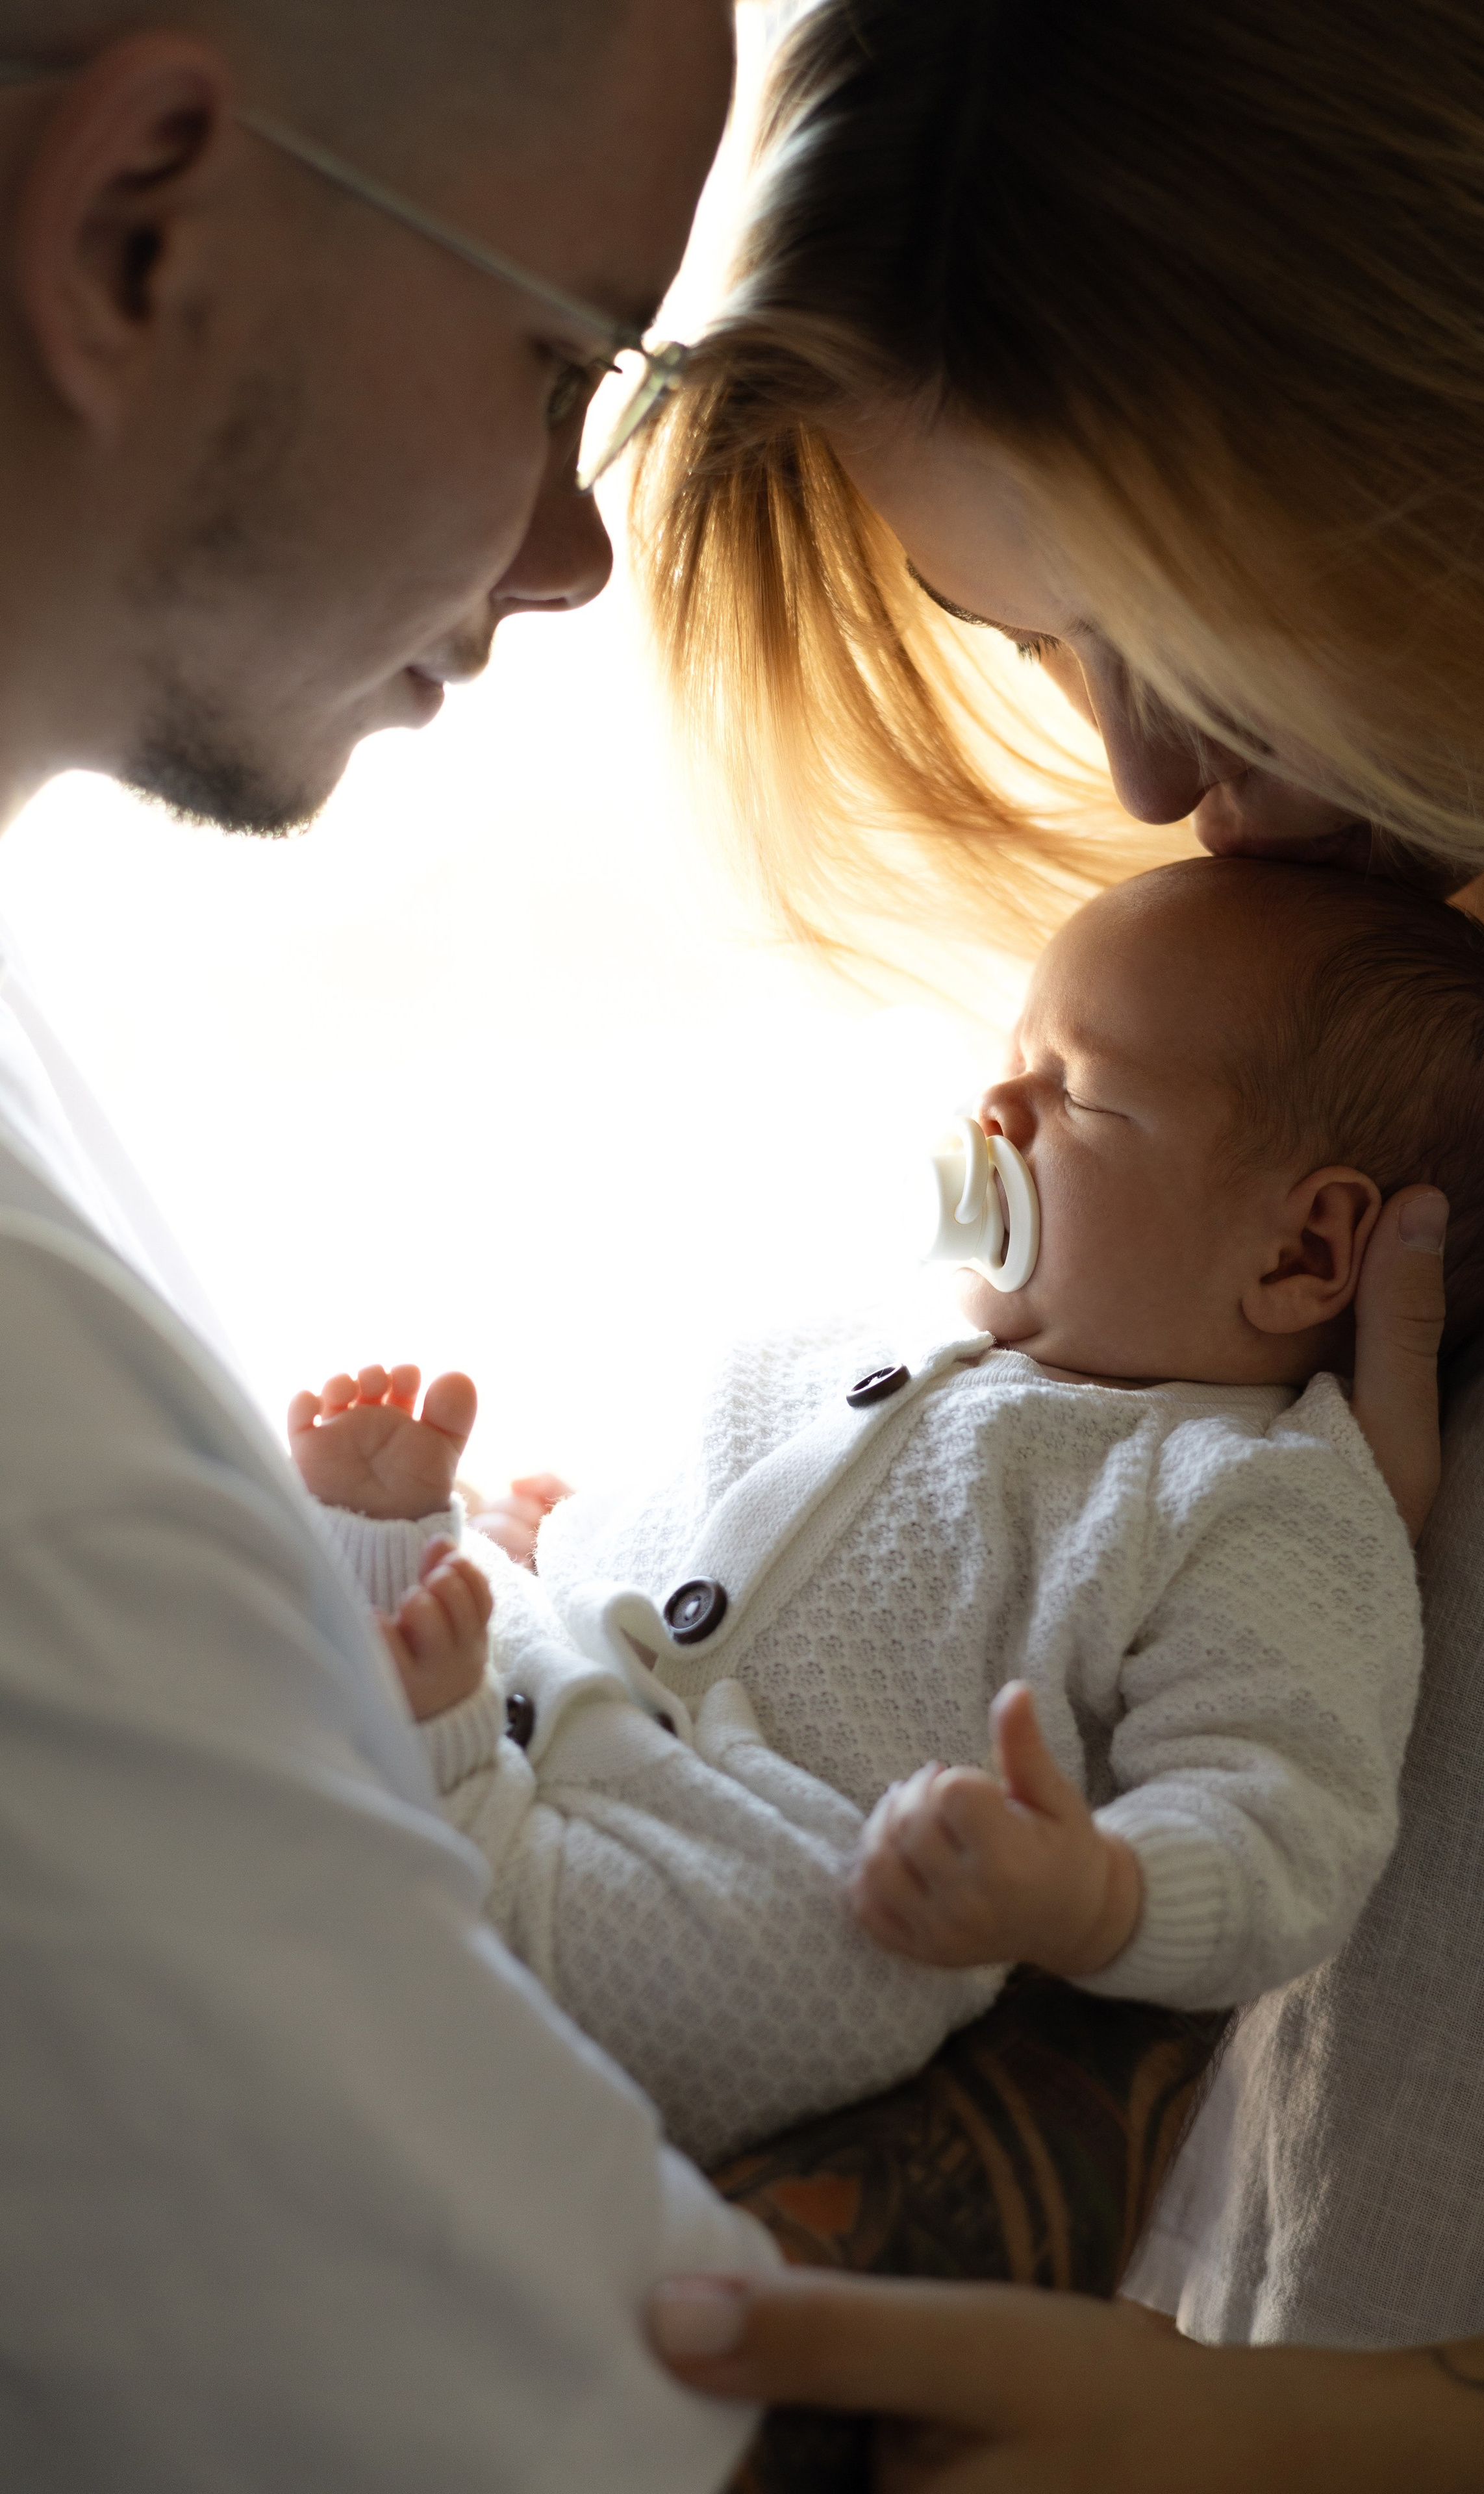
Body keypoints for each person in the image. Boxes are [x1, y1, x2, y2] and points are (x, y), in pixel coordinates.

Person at [627, 0, 1484, 2476]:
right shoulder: (1394, 976)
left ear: (1459, 392)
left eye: (1172, 623)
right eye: (1042, 647)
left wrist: (1301, 2443)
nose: (1144, 775)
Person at [0, 5, 798, 2485]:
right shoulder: (37, 1482)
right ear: (133, 233)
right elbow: (658, 2433)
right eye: (560, 358)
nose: (574, 549)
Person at [284, 857, 1484, 2176]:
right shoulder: (894, 1329)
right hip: (563, 1672)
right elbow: (724, 1510)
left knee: (823, 1983)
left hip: (746, 1856)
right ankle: (399, 1575)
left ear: (1301, 1251)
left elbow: (1287, 1813)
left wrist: (1094, 1891)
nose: (996, 1106)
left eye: (1074, 1090)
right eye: (1014, 1057)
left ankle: (439, 1770)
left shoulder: (1256, 1498)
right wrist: (565, 1531)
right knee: (438, 1580)